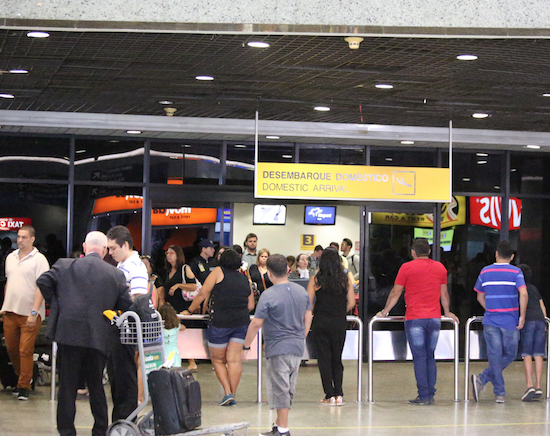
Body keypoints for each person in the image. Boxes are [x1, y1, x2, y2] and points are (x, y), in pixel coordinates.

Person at [36, 231, 132, 436]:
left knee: (67, 387)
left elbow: (43, 281)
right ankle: (99, 430)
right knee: (96, 386)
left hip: (68, 334)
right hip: (98, 336)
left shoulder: (64, 265)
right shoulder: (115, 274)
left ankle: (66, 431)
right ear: (105, 250)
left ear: (84, 247)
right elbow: (126, 304)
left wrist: (59, 303)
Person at [376, 238, 458, 405]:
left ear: (413, 252)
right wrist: (447, 312)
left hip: (415, 319)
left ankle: (424, 395)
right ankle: (430, 393)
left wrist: (384, 312)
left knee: (420, 357)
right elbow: (444, 294)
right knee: (430, 356)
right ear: (428, 251)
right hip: (434, 318)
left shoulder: (406, 268)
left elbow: (395, 293)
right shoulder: (440, 268)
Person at [242, 254, 313, 436]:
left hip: (278, 347)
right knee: (288, 386)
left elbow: (256, 323)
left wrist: (246, 346)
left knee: (280, 388)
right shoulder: (301, 292)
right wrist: (301, 337)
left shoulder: (268, 295)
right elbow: (308, 317)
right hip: (297, 347)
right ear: (288, 270)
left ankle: (283, 429)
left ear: (270, 273)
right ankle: (279, 425)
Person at [183, 249, 254, 406]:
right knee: (234, 360)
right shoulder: (244, 279)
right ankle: (232, 395)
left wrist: (189, 310)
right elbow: (251, 304)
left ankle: (227, 392)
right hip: (241, 323)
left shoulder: (217, 272)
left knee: (218, 359)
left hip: (219, 323)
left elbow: (202, 293)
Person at [470, 240, 528, 404]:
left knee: (494, 356)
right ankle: (488, 384)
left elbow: (479, 296)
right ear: (512, 256)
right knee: (510, 354)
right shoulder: (516, 272)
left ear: (496, 254)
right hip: (510, 320)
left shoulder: (485, 271)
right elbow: (523, 294)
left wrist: (490, 308)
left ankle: (495, 390)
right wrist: (522, 316)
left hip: (490, 320)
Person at [0, 225, 49, 401]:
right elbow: (9, 283)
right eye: (19, 237)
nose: (20, 240)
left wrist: (34, 312)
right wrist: (5, 305)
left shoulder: (40, 260)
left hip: (30, 312)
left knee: (25, 350)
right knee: (12, 349)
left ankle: (23, 386)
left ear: (32, 239)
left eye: (24, 237)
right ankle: (26, 377)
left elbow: (42, 288)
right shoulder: (10, 258)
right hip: (10, 311)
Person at [106, 225, 148, 421]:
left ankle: (126, 418)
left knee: (125, 376)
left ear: (125, 245)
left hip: (127, 329)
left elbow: (137, 297)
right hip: (119, 327)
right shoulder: (122, 265)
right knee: (117, 376)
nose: (110, 252)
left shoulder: (134, 266)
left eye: (113, 248)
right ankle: (121, 418)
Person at [307, 247, 355, 405]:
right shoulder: (345, 279)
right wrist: (339, 310)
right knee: (337, 358)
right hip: (339, 321)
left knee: (324, 359)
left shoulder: (315, 279)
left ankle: (329, 394)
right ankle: (339, 393)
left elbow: (308, 303)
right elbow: (352, 303)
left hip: (320, 321)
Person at [155, 245, 198, 371]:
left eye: (172, 253)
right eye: (167, 253)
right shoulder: (167, 272)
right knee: (173, 334)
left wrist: (178, 285)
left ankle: (192, 360)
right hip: (171, 306)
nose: (169, 255)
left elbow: (194, 286)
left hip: (182, 306)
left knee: (184, 333)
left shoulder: (185, 269)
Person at [517, 264, 547, 402]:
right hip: (540, 321)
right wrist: (545, 321)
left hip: (528, 321)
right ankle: (539, 386)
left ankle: (529, 385)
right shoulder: (534, 288)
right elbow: (542, 305)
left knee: (527, 353)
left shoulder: (520, 289)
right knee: (539, 354)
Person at [159, 303, 185, 368]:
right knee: (176, 370)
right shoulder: (176, 326)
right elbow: (184, 327)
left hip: (162, 351)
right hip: (174, 352)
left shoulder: (159, 327)